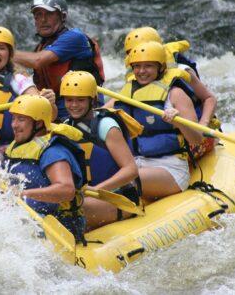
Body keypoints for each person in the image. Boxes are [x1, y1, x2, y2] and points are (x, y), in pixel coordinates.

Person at [0, 95, 87, 241]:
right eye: (13, 118)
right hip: (27, 216)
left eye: (21, 119)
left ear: (39, 123)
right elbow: (2, 174)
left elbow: (66, 190)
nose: (14, 125)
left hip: (57, 225)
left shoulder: (53, 152)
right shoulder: (18, 145)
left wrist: (23, 194)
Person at [109, 42, 204, 199]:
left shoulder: (176, 94)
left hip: (169, 167)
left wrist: (178, 122)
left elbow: (197, 138)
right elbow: (99, 113)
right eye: (137, 66)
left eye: (148, 66)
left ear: (160, 67)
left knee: (125, 180)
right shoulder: (127, 92)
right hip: (134, 163)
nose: (141, 71)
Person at [59, 71, 141, 230]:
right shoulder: (66, 126)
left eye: (80, 100)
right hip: (87, 196)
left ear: (93, 100)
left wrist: (97, 190)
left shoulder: (106, 126)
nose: (74, 105)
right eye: (69, 100)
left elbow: (131, 170)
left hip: (119, 198)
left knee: (74, 211)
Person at [123, 27, 219, 159]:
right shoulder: (137, 74)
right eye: (130, 53)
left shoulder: (181, 70)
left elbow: (209, 98)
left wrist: (203, 125)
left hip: (194, 132)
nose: (135, 55)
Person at [13, 0, 105, 118]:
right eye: (38, 15)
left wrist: (2, 50)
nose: (43, 20)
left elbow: (37, 61)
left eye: (49, 14)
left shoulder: (74, 37)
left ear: (62, 16)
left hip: (82, 108)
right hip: (55, 107)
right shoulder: (41, 47)